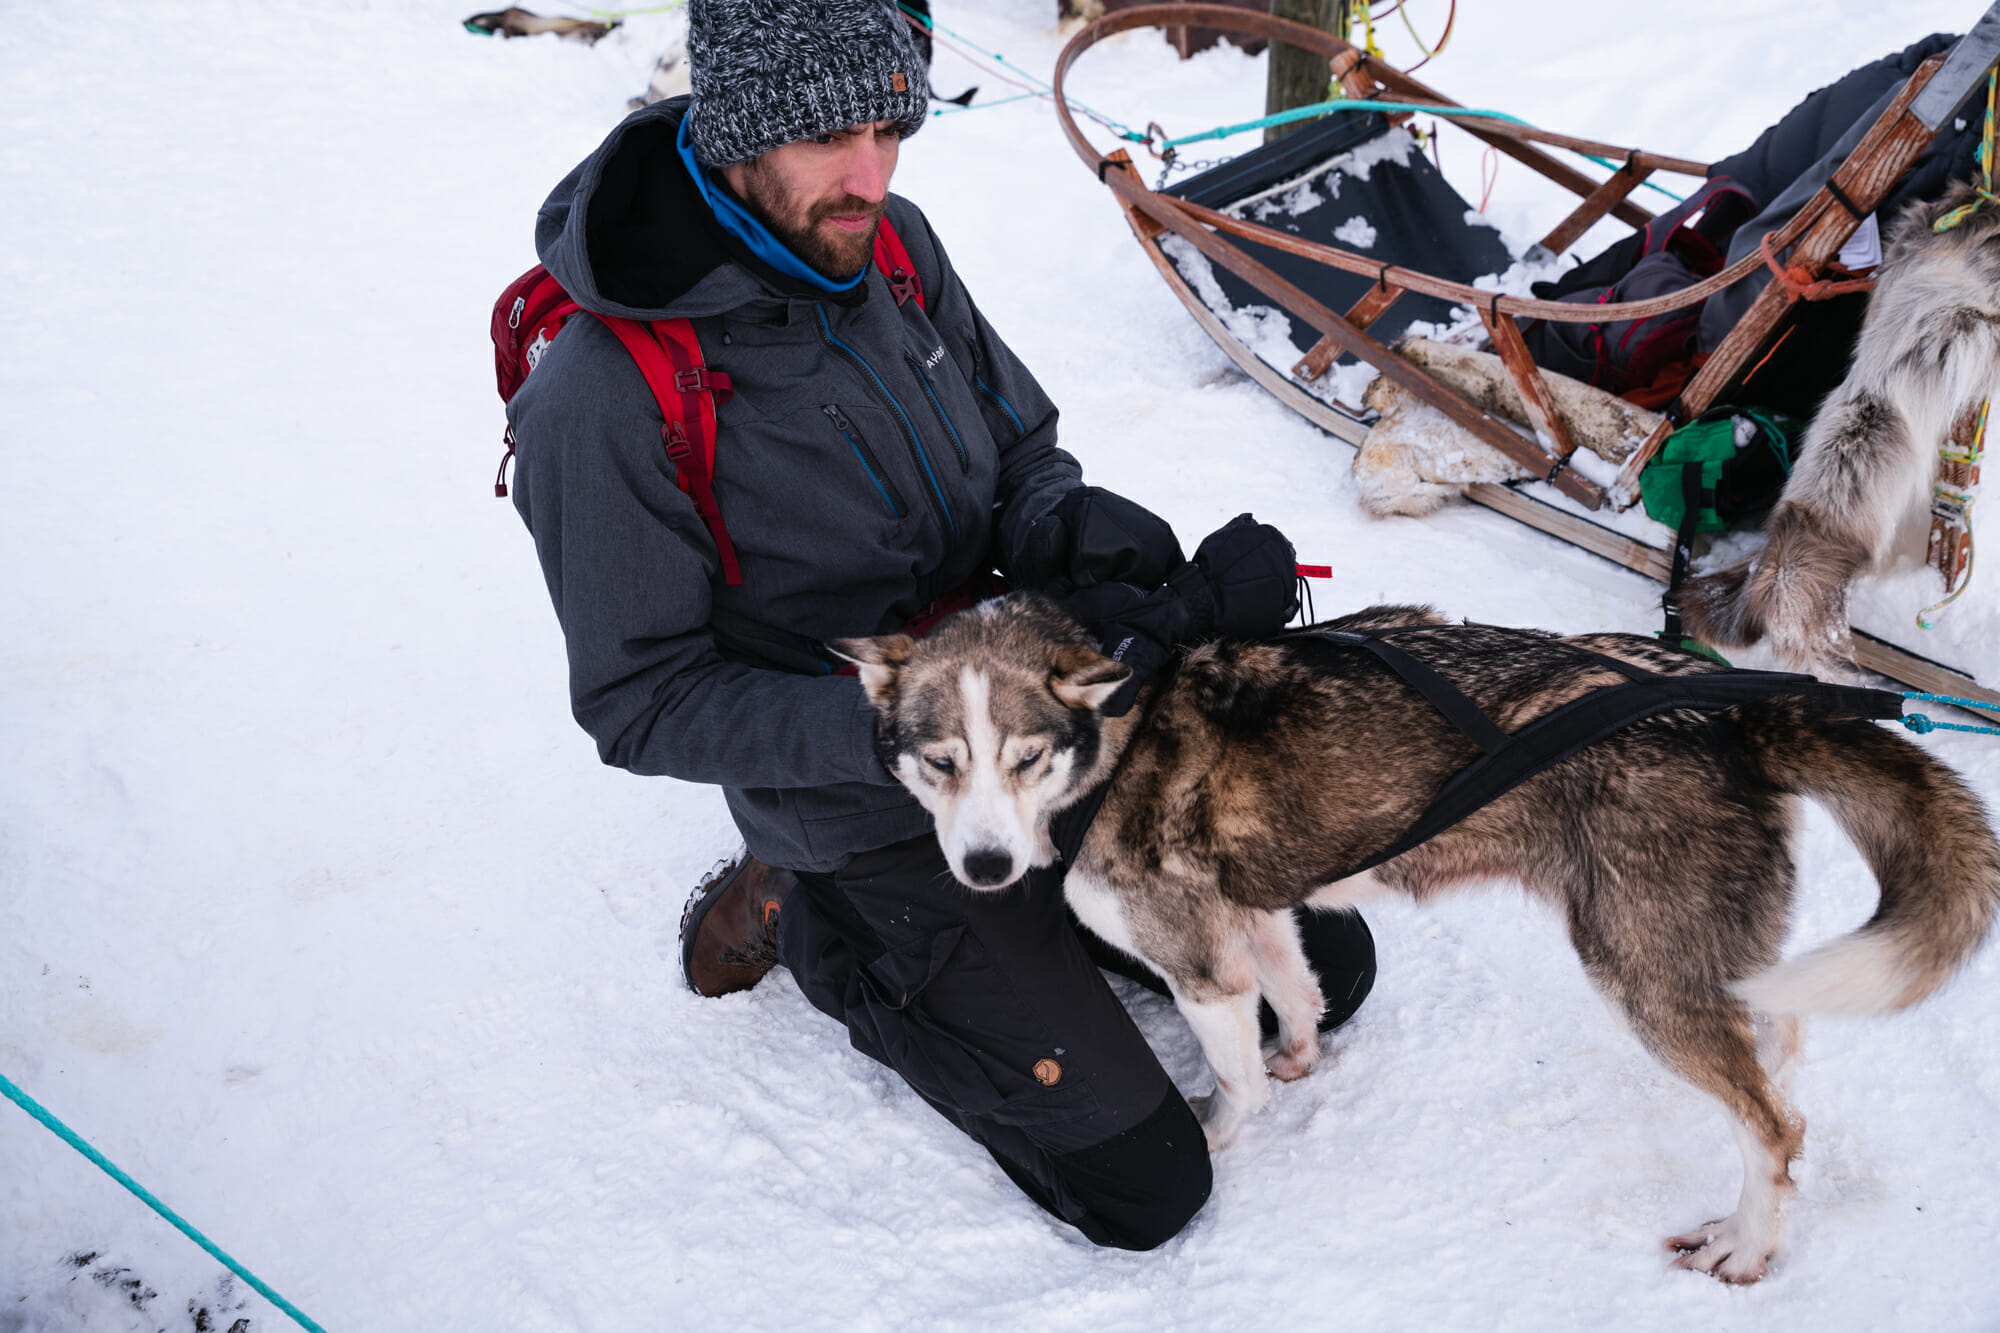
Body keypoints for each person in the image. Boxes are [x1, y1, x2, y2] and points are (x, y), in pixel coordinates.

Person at [507, 0, 1376, 1251]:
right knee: (1144, 1186)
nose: (869, 175)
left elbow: (1020, 447)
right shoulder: (605, 395)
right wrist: (901, 733)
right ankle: (815, 922)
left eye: (890, 126)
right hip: (870, 796)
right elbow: (638, 702)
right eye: (824, 138)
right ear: (740, 130)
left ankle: (1020, 915)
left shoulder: (892, 251)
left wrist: (1087, 539)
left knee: (1326, 970)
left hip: (1021, 736)